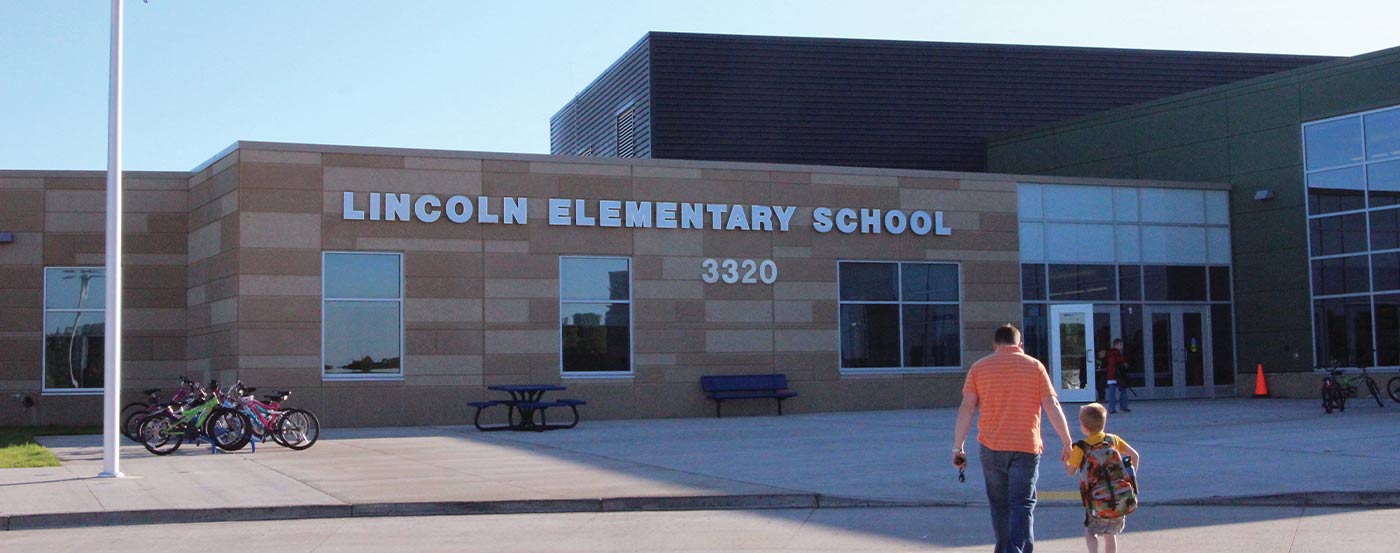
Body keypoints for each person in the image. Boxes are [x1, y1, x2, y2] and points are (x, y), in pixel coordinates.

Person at [953, 324, 1076, 553]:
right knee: (1022, 504)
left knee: (999, 505)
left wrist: (958, 447)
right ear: (1020, 344)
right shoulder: (1035, 366)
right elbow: (1051, 405)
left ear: (994, 344)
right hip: (1026, 447)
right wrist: (1067, 441)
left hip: (991, 447)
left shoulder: (979, 368)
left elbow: (967, 408)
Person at [1065, 403, 1141, 553]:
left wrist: (1067, 461)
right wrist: (1129, 480)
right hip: (1119, 498)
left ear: (1084, 427)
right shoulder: (1113, 440)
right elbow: (1134, 456)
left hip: (1095, 500)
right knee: (1110, 534)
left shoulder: (1081, 447)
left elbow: (1071, 471)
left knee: (1090, 532)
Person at [1103, 339, 1131, 414]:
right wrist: (1124, 364)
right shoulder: (1116, 353)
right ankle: (1123, 406)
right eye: (1120, 345)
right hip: (1118, 376)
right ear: (1117, 345)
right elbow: (1119, 362)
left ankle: (1112, 408)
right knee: (1123, 391)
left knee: (1112, 392)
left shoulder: (1109, 354)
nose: (1121, 347)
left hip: (1110, 375)